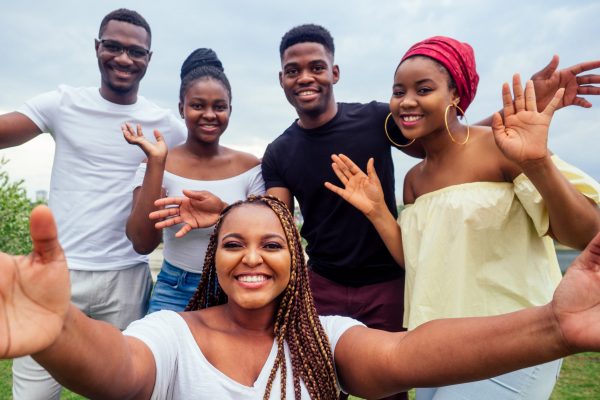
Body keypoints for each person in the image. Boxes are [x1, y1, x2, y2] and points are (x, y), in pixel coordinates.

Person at [150, 24, 600, 400]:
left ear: (335, 72)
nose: (305, 77)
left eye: (315, 67)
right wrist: (228, 211)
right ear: (281, 79)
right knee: (320, 384)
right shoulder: (281, 151)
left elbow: (449, 138)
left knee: (393, 379)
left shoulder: (376, 119)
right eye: (293, 70)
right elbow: (278, 221)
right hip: (324, 285)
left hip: (390, 283)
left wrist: (511, 117)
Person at [1, 195, 600, 400]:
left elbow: (408, 355)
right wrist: (61, 331)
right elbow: (122, 372)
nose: (253, 257)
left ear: (297, 261)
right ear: (216, 259)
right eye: (234, 243)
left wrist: (554, 327)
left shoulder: (324, 339)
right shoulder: (174, 335)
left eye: (273, 244)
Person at [325, 36, 600, 399]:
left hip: (515, 337)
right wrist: (378, 211)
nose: (406, 101)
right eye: (398, 90)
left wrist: (537, 163)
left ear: (455, 95)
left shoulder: (500, 146)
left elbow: (586, 233)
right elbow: (419, 262)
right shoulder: (414, 180)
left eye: (423, 89)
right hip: (434, 343)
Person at [0, 8, 186, 399]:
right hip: (57, 275)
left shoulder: (167, 125)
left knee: (127, 391)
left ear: (149, 60)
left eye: (136, 52)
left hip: (127, 279)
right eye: (113, 47)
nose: (124, 58)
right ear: (96, 48)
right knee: (32, 394)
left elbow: (206, 166)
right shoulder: (63, 103)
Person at [124, 48, 264, 313]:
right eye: (198, 105)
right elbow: (142, 243)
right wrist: (157, 165)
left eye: (219, 107)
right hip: (174, 290)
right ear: (182, 108)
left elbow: (267, 236)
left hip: (235, 289)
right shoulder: (157, 162)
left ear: (230, 110)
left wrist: (224, 212)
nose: (209, 114)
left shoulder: (249, 167)